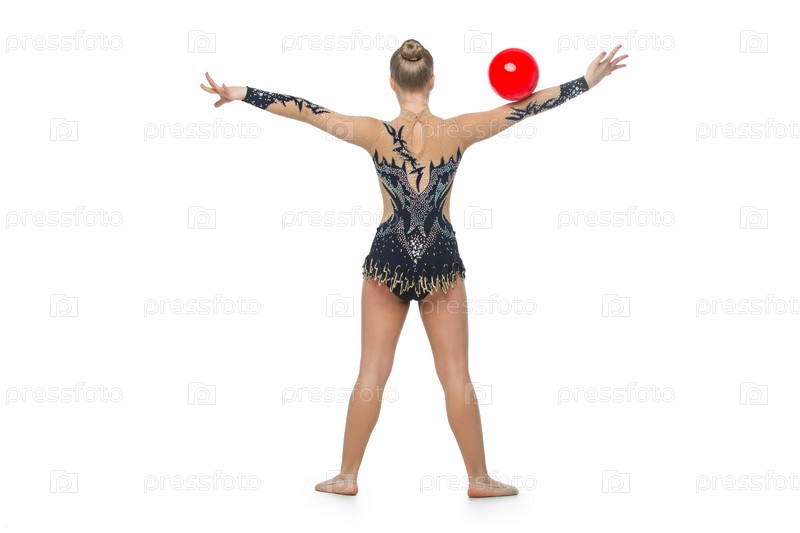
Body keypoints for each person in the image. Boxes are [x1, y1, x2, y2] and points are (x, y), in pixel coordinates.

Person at [200, 38, 627, 498]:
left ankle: (347, 476)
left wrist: (242, 93)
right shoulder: (460, 130)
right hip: (440, 261)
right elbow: (527, 108)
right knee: (456, 375)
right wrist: (586, 82)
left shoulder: (372, 132)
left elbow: (309, 112)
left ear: (392, 83)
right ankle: (479, 479)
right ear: (432, 82)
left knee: (371, 374)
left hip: (388, 260)